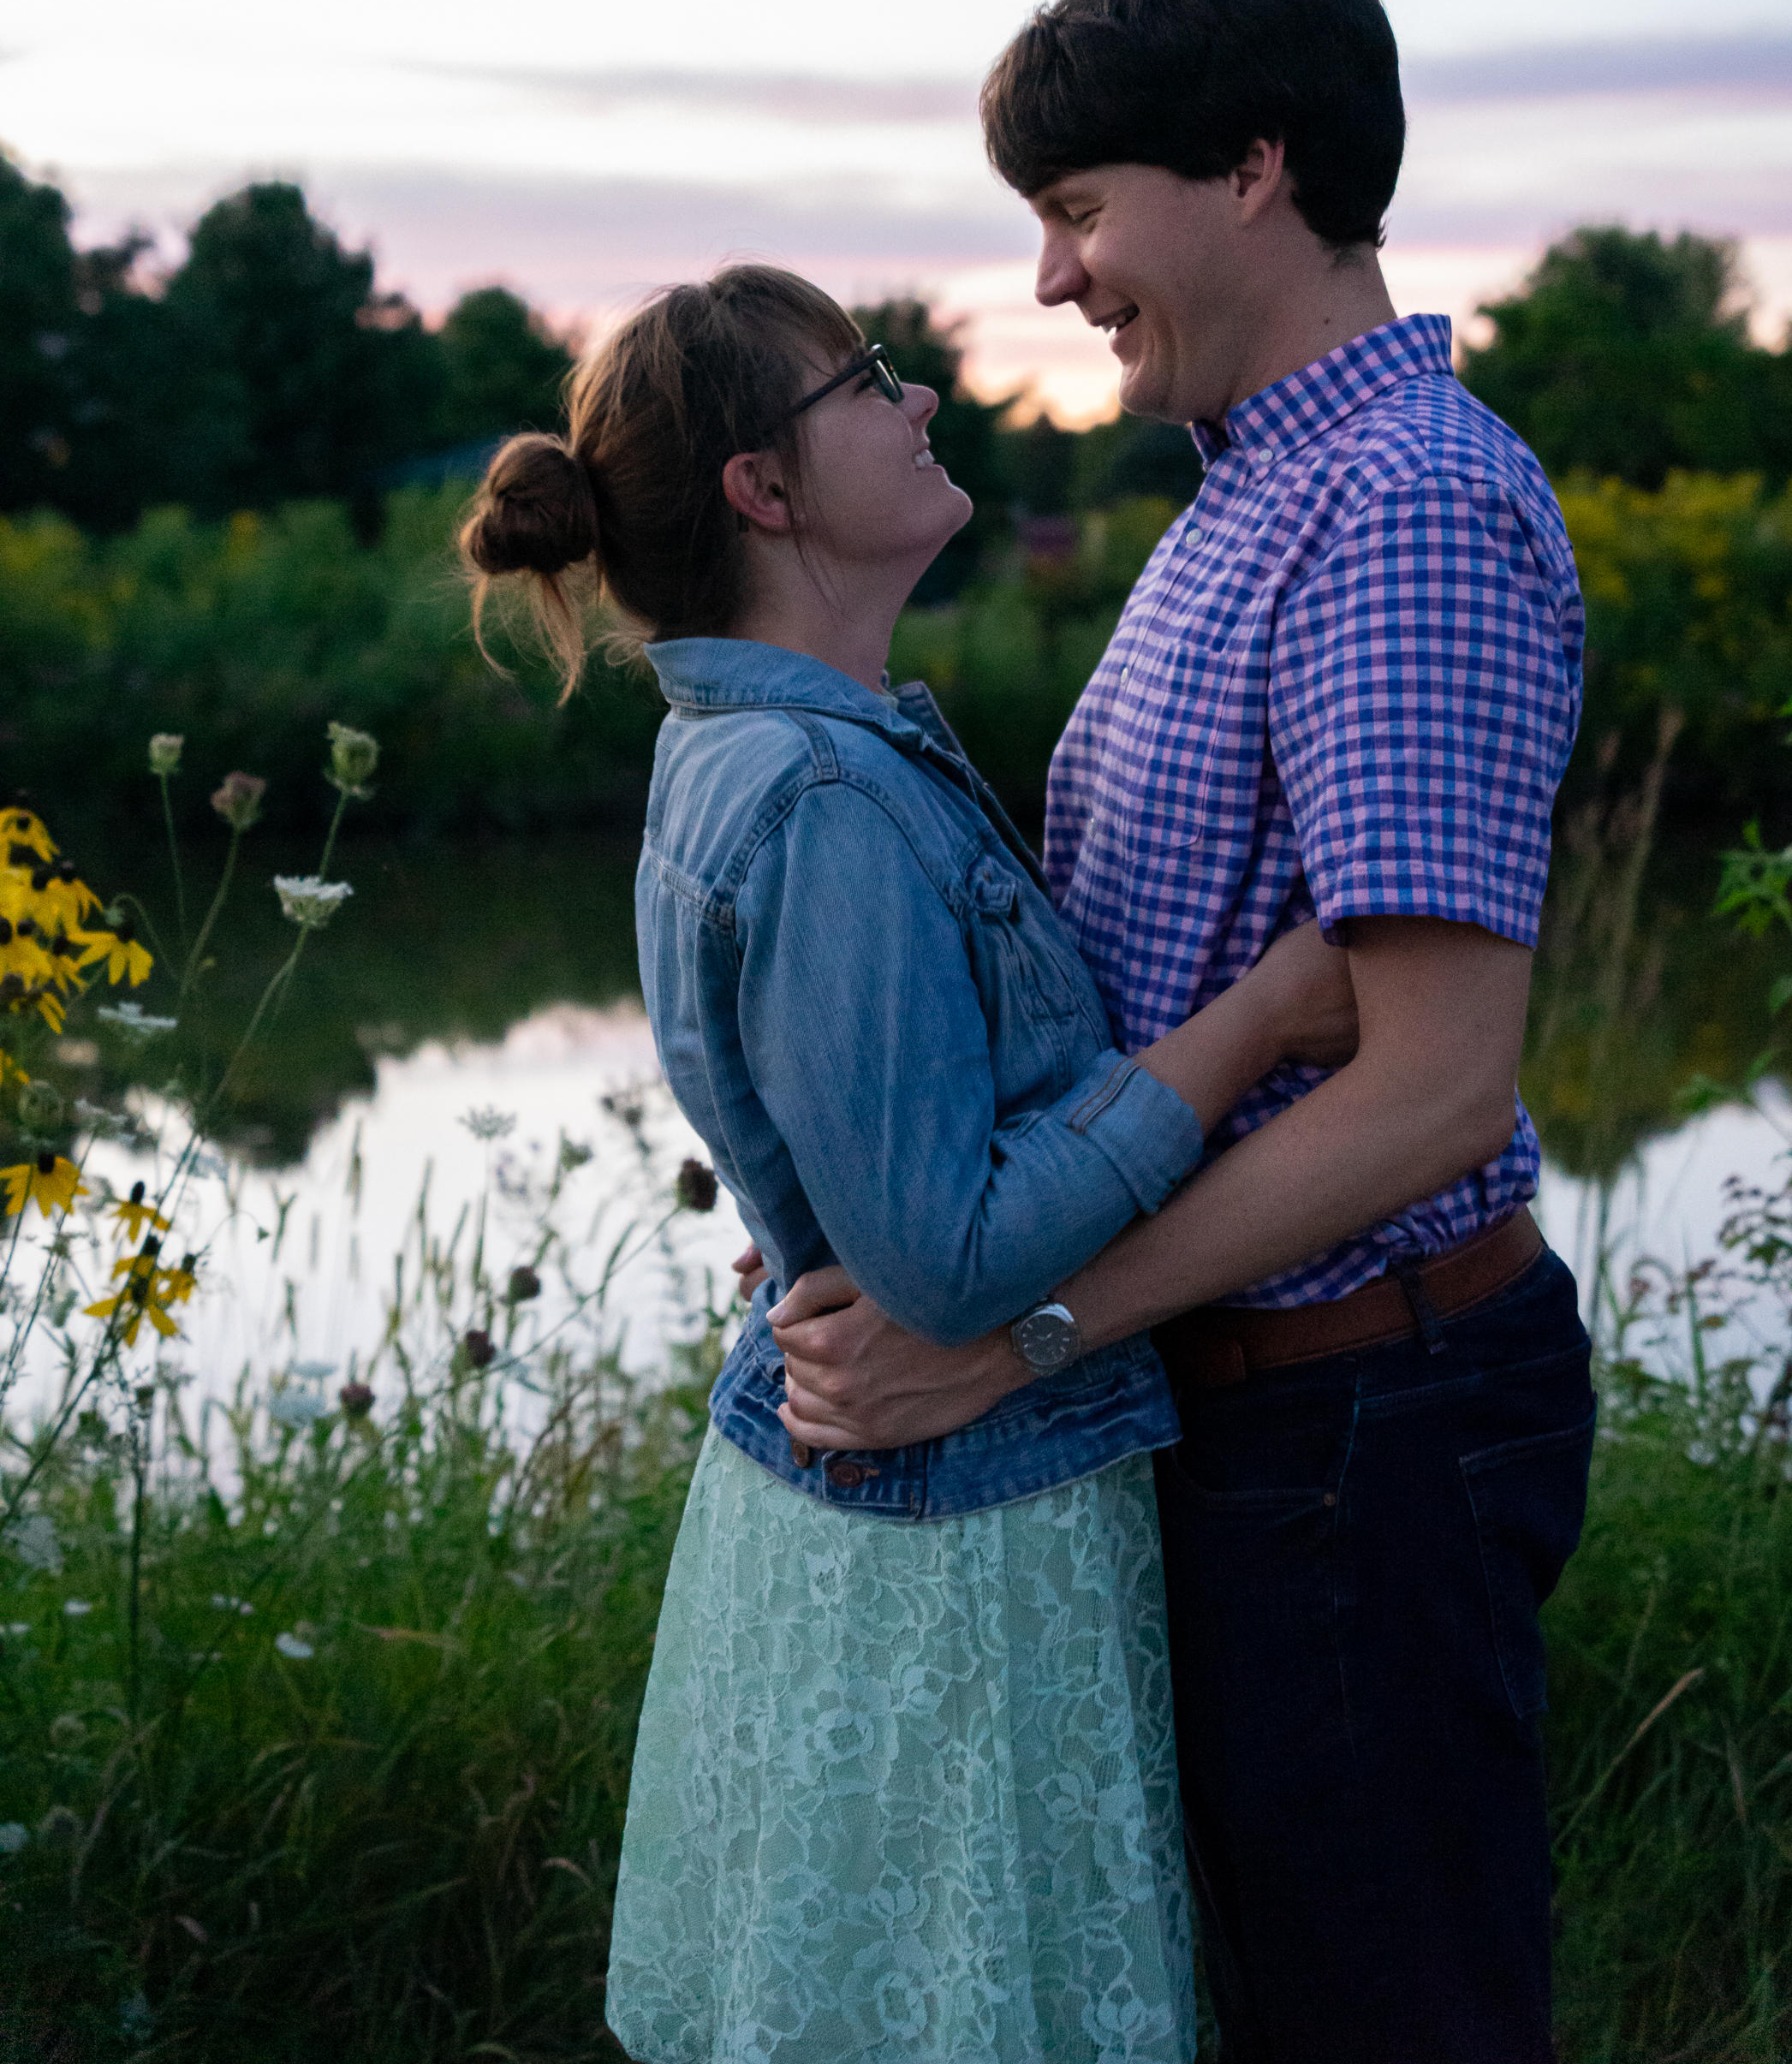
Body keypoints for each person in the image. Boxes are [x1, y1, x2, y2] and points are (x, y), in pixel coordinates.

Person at [772, 0, 1596, 2064]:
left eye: (1075, 209)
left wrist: (1007, 1339)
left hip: (1364, 1429)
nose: (1050, 277)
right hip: (1263, 1415)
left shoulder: (1398, 508)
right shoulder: (1256, 495)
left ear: (1252, 169)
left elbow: (1429, 1092)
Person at [458, 261, 1360, 2064]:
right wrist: (1259, 1020)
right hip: (955, 1539)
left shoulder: (766, 758)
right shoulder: (817, 798)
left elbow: (862, 1161)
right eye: (866, 380)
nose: (923, 394)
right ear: (764, 492)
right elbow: (949, 1264)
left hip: (899, 1507)